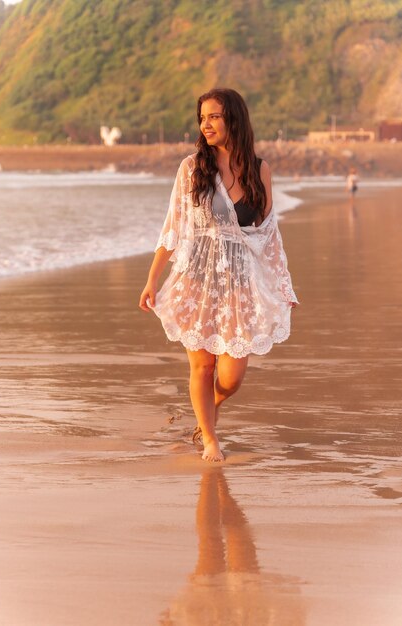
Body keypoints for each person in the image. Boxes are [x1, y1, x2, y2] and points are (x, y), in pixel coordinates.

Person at [139, 88, 298, 462]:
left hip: (240, 284)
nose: (205, 124)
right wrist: (151, 280)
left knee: (231, 377)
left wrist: (282, 283)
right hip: (196, 279)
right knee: (202, 364)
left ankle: (206, 411)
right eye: (202, 117)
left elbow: (267, 233)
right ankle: (210, 439)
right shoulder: (192, 168)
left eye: (214, 116)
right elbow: (173, 228)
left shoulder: (260, 170)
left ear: (234, 120)